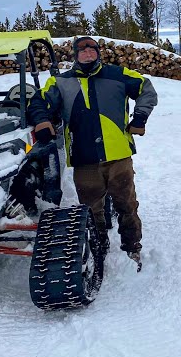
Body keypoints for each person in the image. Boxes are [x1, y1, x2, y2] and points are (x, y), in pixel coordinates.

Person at [26, 36, 158, 270]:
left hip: (118, 155)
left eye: (92, 49)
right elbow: (38, 101)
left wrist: (140, 117)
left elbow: (146, 89)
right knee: (90, 210)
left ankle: (132, 247)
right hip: (84, 158)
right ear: (75, 55)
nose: (88, 52)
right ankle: (99, 248)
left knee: (126, 205)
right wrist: (42, 121)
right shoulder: (61, 82)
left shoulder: (117, 74)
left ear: (98, 53)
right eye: (82, 49)